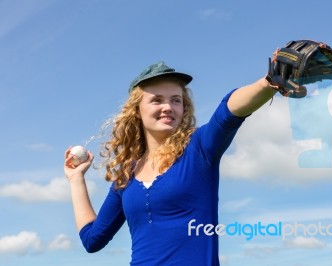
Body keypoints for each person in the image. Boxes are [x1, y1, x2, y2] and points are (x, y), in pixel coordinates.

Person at [64, 61, 277, 265]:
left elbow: (228, 112)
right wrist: (76, 179)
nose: (168, 106)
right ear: (137, 110)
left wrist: (269, 82)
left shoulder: (199, 148)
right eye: (157, 100)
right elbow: (92, 239)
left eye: (176, 100)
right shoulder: (125, 176)